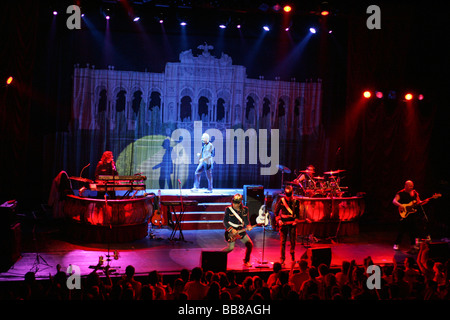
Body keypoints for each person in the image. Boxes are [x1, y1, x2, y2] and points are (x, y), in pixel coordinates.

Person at [222, 193, 254, 267]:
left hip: (241, 231)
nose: (235, 205)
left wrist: (248, 225)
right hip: (231, 232)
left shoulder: (245, 210)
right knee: (230, 248)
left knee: (249, 245)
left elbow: (246, 220)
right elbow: (225, 221)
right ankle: (218, 256)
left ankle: (246, 261)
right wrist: (231, 230)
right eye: (234, 203)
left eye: (236, 203)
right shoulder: (228, 209)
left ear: (240, 203)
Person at [274, 185, 301, 265]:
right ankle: (282, 259)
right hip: (283, 223)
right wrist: (279, 220)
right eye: (287, 196)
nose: (288, 198)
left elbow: (297, 214)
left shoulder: (296, 202)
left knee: (293, 241)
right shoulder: (281, 201)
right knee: (283, 242)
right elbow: (276, 212)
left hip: (292, 223)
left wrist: (296, 220)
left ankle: (292, 257)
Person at [392, 180, 422, 252]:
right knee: (401, 230)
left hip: (412, 214)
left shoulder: (415, 193)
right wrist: (400, 205)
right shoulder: (401, 193)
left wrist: (426, 201)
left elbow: (419, 202)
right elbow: (394, 201)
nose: (411, 187)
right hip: (404, 214)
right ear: (405, 186)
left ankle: (413, 245)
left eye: (412, 186)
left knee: (413, 230)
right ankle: (397, 244)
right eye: (410, 186)